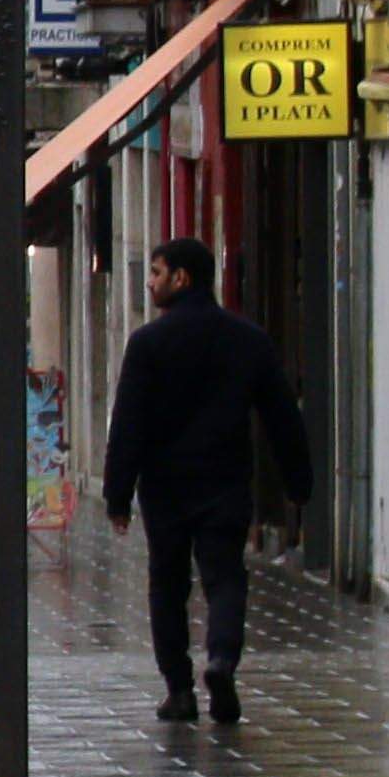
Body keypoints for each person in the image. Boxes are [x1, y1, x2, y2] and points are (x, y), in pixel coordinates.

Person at [99, 233, 313, 730]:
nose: (149, 283)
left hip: (166, 487)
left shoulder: (148, 344)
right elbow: (282, 416)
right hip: (225, 480)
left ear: (181, 278)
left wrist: (118, 494)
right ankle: (221, 658)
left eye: (156, 273)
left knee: (168, 584)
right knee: (225, 577)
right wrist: (298, 481)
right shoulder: (248, 340)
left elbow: (128, 423)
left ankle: (179, 688)